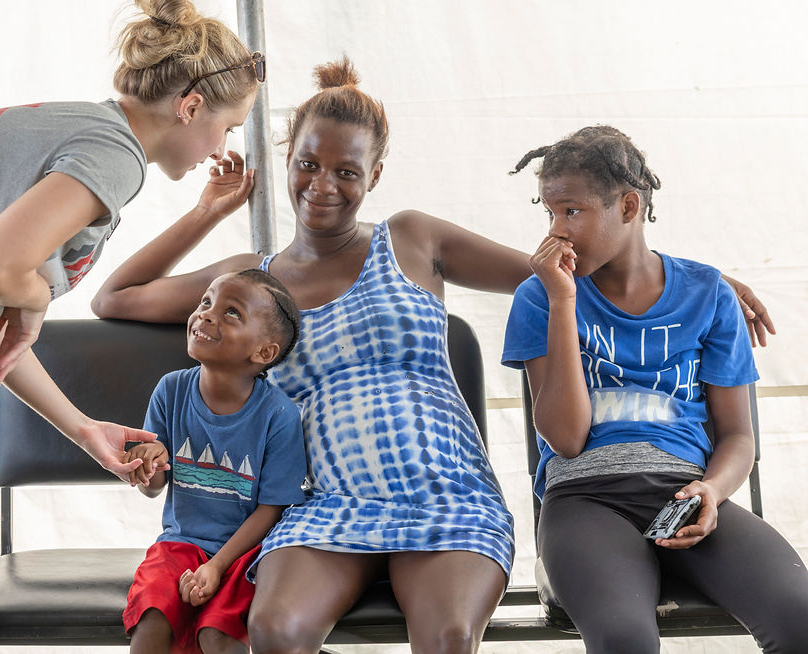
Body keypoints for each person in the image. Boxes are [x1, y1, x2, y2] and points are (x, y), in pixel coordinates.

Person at [92, 58, 775, 653]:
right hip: (329, 500)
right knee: (274, 630)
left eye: (346, 171)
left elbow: (562, 270)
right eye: (307, 164)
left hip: (443, 489)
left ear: (376, 174)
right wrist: (210, 211)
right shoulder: (253, 280)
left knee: (447, 639)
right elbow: (114, 298)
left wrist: (703, 281)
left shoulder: (413, 239)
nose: (322, 185)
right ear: (287, 159)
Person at [0, 0, 265, 650]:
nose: (220, 150)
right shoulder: (111, 151)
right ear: (192, 106)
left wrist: (85, 430)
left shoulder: (81, 130)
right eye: (228, 127)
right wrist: (32, 295)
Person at [501, 125, 808, 653]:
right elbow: (566, 439)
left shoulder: (706, 293)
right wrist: (563, 302)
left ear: (627, 206)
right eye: (549, 214)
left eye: (571, 212)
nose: (557, 232)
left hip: (684, 494)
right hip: (585, 499)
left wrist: (710, 492)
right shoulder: (540, 297)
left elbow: (737, 435)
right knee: (625, 640)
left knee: (801, 617)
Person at [121, 268, 306, 654]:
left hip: (246, 555)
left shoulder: (279, 415)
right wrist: (148, 466)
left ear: (264, 353)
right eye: (206, 303)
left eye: (231, 312)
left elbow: (271, 510)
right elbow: (153, 488)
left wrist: (216, 566)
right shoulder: (170, 390)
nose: (206, 314)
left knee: (218, 636)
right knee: (153, 620)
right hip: (178, 546)